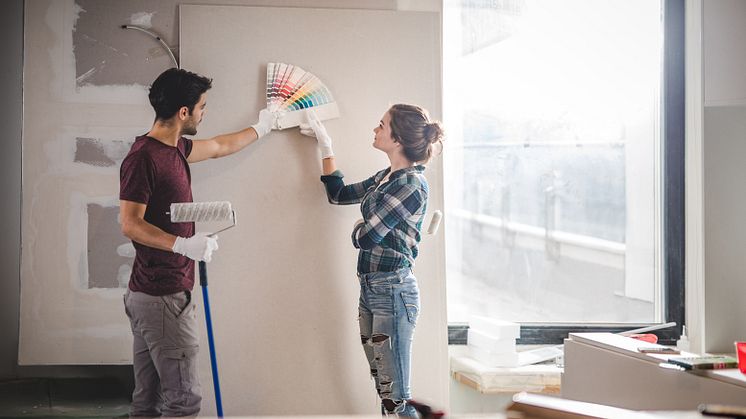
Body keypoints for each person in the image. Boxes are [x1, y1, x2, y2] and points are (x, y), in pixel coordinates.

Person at [119, 67, 276, 417]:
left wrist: (265, 125)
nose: (205, 113)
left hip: (151, 294)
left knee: (149, 401)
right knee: (183, 402)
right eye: (202, 106)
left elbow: (221, 146)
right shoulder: (144, 157)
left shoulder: (174, 148)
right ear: (184, 112)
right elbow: (130, 224)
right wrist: (182, 245)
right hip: (163, 297)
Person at [299, 104, 444, 417]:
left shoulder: (410, 185)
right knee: (385, 389)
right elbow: (338, 194)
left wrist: (358, 230)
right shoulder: (386, 177)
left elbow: (367, 238)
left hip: (393, 292)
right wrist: (326, 145)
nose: (375, 130)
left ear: (397, 139)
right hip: (372, 290)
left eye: (381, 125)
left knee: (395, 398)